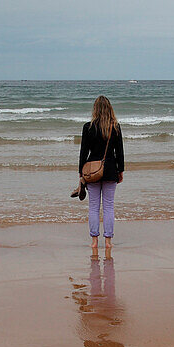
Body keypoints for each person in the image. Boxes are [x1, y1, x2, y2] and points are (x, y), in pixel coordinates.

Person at [72, 95, 124, 254]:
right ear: (109, 109)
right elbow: (119, 152)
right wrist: (120, 170)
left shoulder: (88, 127)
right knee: (108, 206)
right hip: (110, 170)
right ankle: (108, 241)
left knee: (93, 207)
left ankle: (94, 242)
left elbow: (83, 153)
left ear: (95, 109)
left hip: (91, 171)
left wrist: (81, 173)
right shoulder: (115, 126)